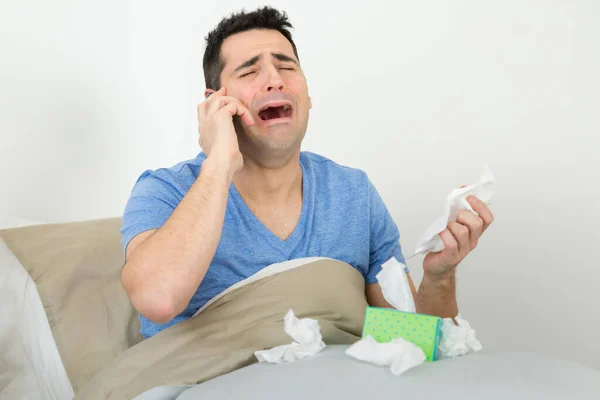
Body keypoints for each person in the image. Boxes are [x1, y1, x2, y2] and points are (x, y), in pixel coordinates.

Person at [120, 6, 494, 339]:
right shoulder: (163, 191)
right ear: (214, 104)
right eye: (251, 71)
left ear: (308, 95)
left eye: (286, 67)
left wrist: (439, 277)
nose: (275, 80)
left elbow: (412, 342)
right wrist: (218, 160)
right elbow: (158, 299)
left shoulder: (353, 194)